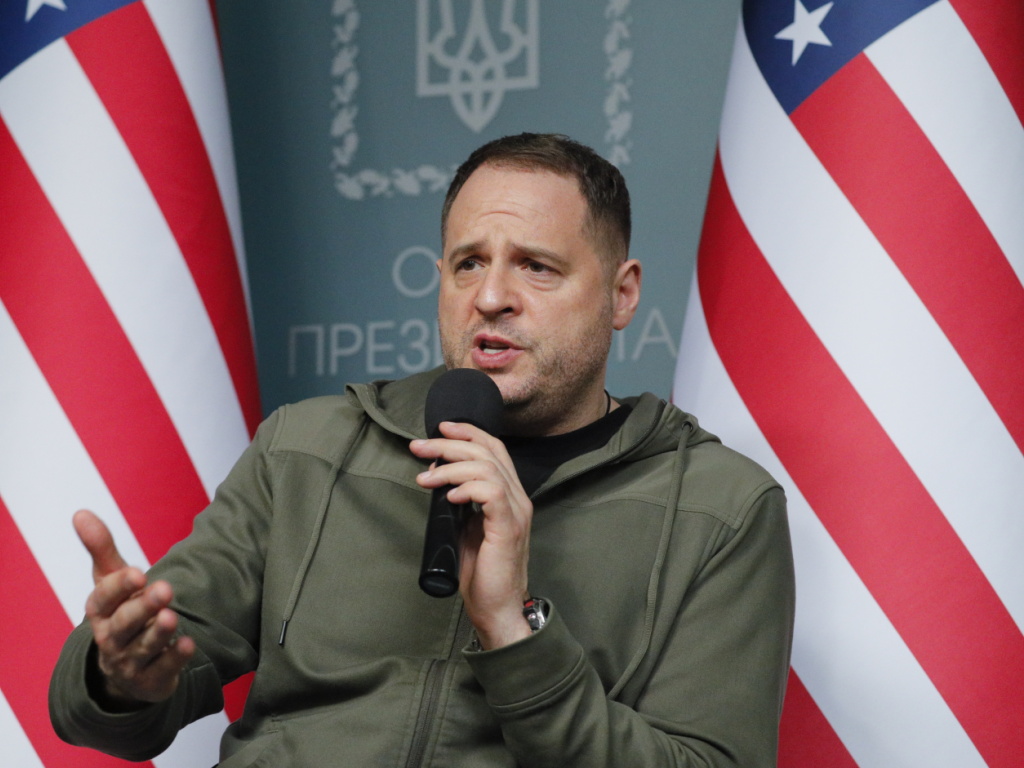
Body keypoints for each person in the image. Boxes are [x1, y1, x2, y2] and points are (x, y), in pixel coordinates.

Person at [50, 133, 795, 766]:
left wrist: (514, 630)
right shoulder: (306, 449)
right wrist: (119, 675)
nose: (491, 297)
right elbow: (102, 703)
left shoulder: (721, 509)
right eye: (468, 263)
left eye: (536, 266)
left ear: (622, 294)